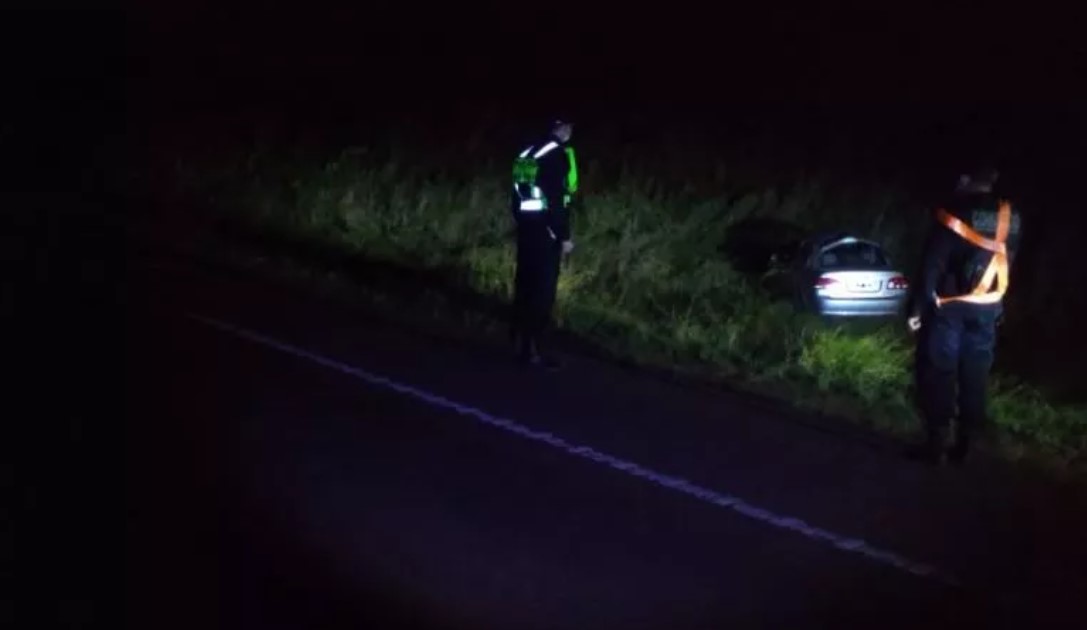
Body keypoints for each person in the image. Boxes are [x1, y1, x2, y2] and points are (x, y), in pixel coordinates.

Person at [906, 165, 1021, 464]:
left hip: (949, 307)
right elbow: (1009, 258)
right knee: (975, 374)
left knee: (939, 370)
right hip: (989, 306)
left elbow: (933, 264)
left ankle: (936, 442)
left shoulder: (953, 211)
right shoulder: (1011, 215)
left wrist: (917, 309)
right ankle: (966, 444)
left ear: (966, 179)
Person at [509, 119, 578, 369]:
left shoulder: (528, 152)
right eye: (569, 127)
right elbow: (557, 200)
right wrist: (564, 236)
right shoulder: (556, 155)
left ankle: (519, 343)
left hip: (526, 229)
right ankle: (534, 350)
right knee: (542, 291)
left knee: (524, 285)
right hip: (546, 233)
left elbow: (517, 196)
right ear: (563, 130)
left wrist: (522, 222)